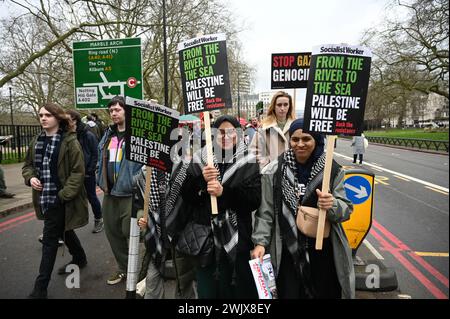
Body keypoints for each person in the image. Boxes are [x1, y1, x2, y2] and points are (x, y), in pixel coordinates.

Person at [251, 118, 355, 299]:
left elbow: (346, 210)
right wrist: (260, 242)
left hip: (322, 253)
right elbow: (265, 211)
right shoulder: (274, 170)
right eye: (295, 139)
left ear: (317, 140)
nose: (300, 144)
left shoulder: (332, 170)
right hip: (286, 250)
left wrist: (332, 204)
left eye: (306, 139)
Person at [181, 115, 261, 299]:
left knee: (236, 291)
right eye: (220, 133)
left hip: (238, 237)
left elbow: (253, 200)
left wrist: (224, 193)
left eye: (231, 132)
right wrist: (201, 180)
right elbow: (187, 196)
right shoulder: (200, 159)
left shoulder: (249, 161)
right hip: (207, 239)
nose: (225, 136)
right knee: (209, 291)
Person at [22, 103, 88, 299]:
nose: (43, 118)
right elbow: (28, 166)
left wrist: (63, 195)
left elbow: (78, 172)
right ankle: (80, 257)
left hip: (61, 198)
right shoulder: (36, 141)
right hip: (44, 197)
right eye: (41, 115)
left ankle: (40, 288)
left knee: (50, 240)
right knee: (62, 229)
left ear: (58, 118)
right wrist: (30, 177)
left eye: (48, 115)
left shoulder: (69, 142)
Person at [97, 95, 142, 285]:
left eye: (118, 109)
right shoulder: (109, 134)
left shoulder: (137, 135)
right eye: (111, 110)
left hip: (130, 193)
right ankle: (124, 269)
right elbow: (101, 158)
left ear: (127, 111)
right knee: (113, 233)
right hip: (109, 193)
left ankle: (139, 269)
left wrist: (135, 181)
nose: (114, 113)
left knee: (130, 232)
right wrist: (100, 175)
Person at [66, 110, 104, 233]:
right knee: (69, 198)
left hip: (87, 172)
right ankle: (63, 228)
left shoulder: (88, 135)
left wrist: (90, 170)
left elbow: (95, 154)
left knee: (91, 196)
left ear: (74, 120)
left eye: (68, 119)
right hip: (72, 173)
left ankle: (99, 219)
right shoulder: (66, 134)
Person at [250, 91, 295, 169]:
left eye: (285, 104)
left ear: (289, 106)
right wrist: (267, 165)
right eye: (279, 105)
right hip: (270, 174)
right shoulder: (264, 127)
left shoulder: (295, 126)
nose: (282, 108)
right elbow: (254, 151)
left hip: (291, 173)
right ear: (274, 106)